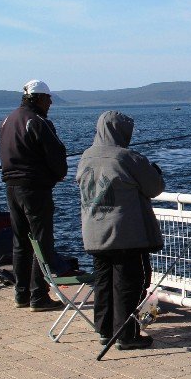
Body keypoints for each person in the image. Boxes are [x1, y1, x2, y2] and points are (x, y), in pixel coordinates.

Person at [77, 111, 165, 350]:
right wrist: (155, 170)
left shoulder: (86, 156)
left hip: (94, 233)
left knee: (103, 283)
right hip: (124, 233)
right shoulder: (127, 157)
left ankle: (105, 331)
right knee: (129, 284)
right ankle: (126, 335)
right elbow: (154, 187)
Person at [0, 80, 67, 311]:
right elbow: (56, 155)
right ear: (37, 98)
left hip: (11, 187)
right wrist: (58, 175)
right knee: (42, 241)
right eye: (48, 99)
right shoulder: (38, 122)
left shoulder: (7, 120)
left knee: (20, 243)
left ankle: (21, 294)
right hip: (34, 189)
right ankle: (39, 295)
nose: (50, 103)